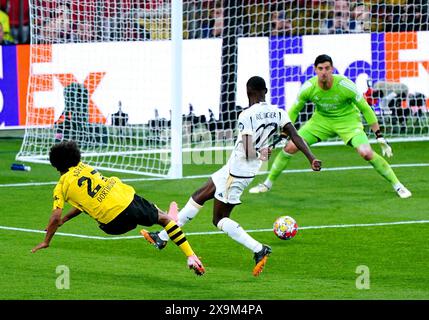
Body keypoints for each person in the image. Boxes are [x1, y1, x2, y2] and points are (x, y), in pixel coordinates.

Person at [141, 76, 322, 277]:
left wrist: (260, 152)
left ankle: (258, 249)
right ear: (266, 91)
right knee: (199, 196)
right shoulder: (278, 113)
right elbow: (295, 136)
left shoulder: (246, 115)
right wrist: (311, 158)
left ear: (248, 92)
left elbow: (246, 148)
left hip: (238, 172)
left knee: (219, 219)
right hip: (237, 168)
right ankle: (163, 236)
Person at [31, 140, 205, 276]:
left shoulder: (61, 188)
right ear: (77, 158)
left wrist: (51, 236)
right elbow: (62, 216)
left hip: (112, 225)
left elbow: (63, 213)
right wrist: (56, 228)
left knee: (110, 203)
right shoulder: (84, 167)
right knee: (164, 220)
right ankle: (190, 255)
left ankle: (162, 229)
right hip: (128, 203)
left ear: (55, 166)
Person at [249, 54, 412, 199]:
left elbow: (365, 108)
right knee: (290, 148)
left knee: (366, 153)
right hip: (321, 121)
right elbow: (294, 110)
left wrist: (379, 135)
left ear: (332, 69)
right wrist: (285, 133)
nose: (324, 72)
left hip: (348, 121)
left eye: (327, 68)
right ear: (315, 70)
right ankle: (267, 184)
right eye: (320, 68)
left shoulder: (345, 85)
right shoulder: (309, 87)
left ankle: (398, 185)